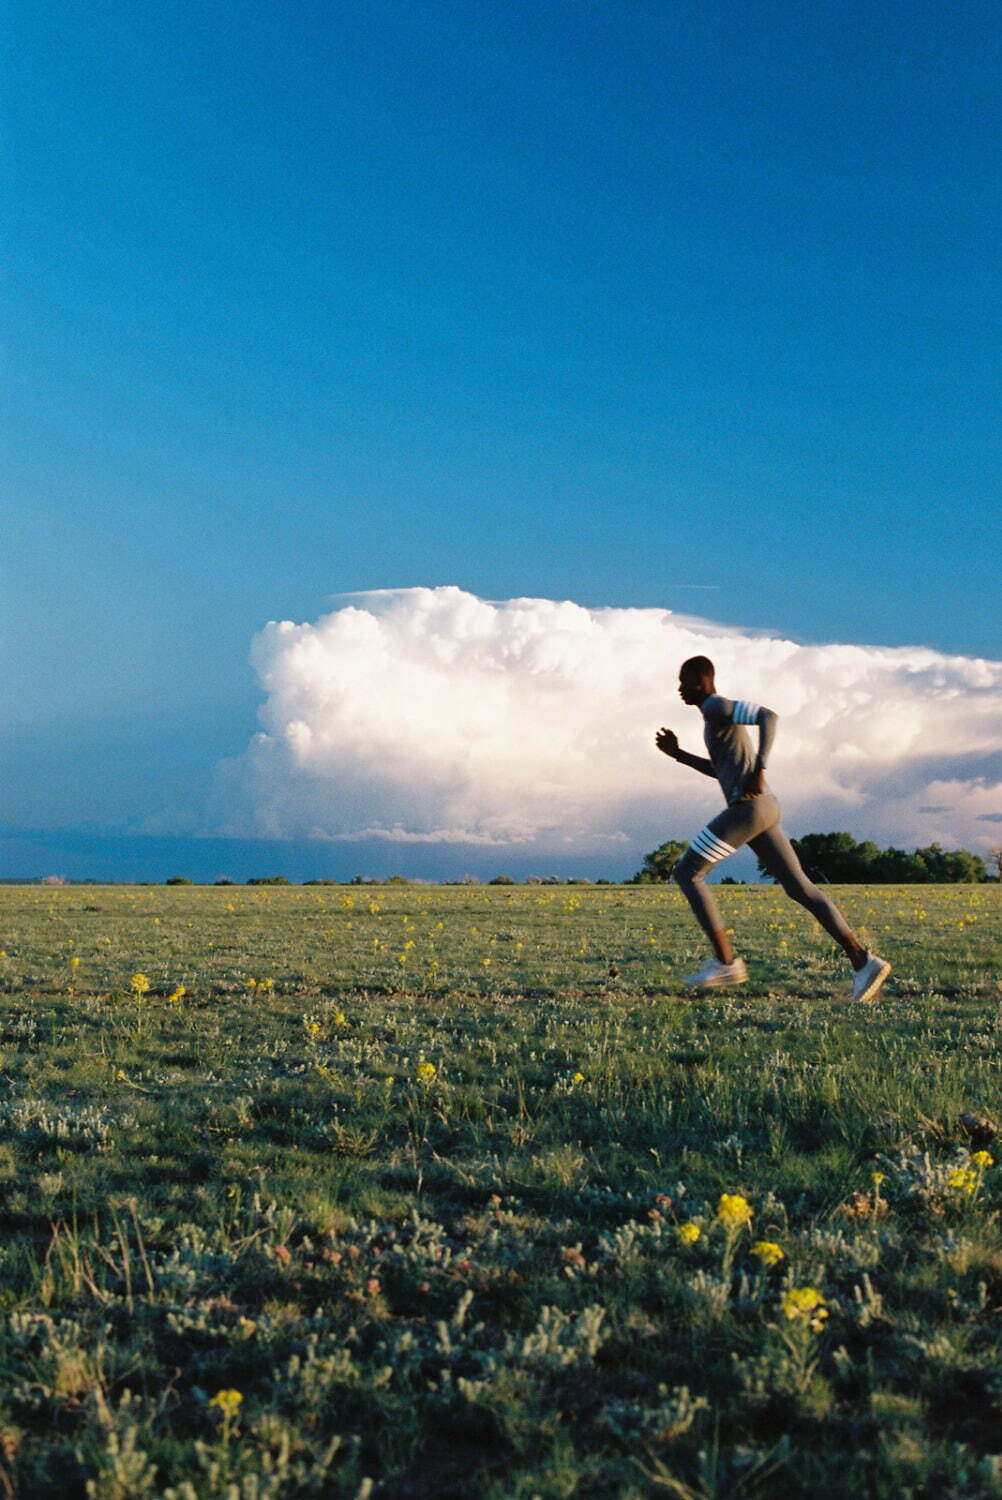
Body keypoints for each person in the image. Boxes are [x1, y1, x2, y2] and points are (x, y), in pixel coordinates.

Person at [656, 654, 891, 1001]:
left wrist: (760, 768)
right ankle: (863, 961)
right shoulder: (713, 717)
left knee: (688, 871)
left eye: (683, 681)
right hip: (764, 809)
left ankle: (726, 963)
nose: (679, 690)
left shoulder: (716, 706)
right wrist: (678, 754)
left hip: (748, 809)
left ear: (701, 681)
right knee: (801, 889)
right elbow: (721, 771)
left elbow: (768, 716)